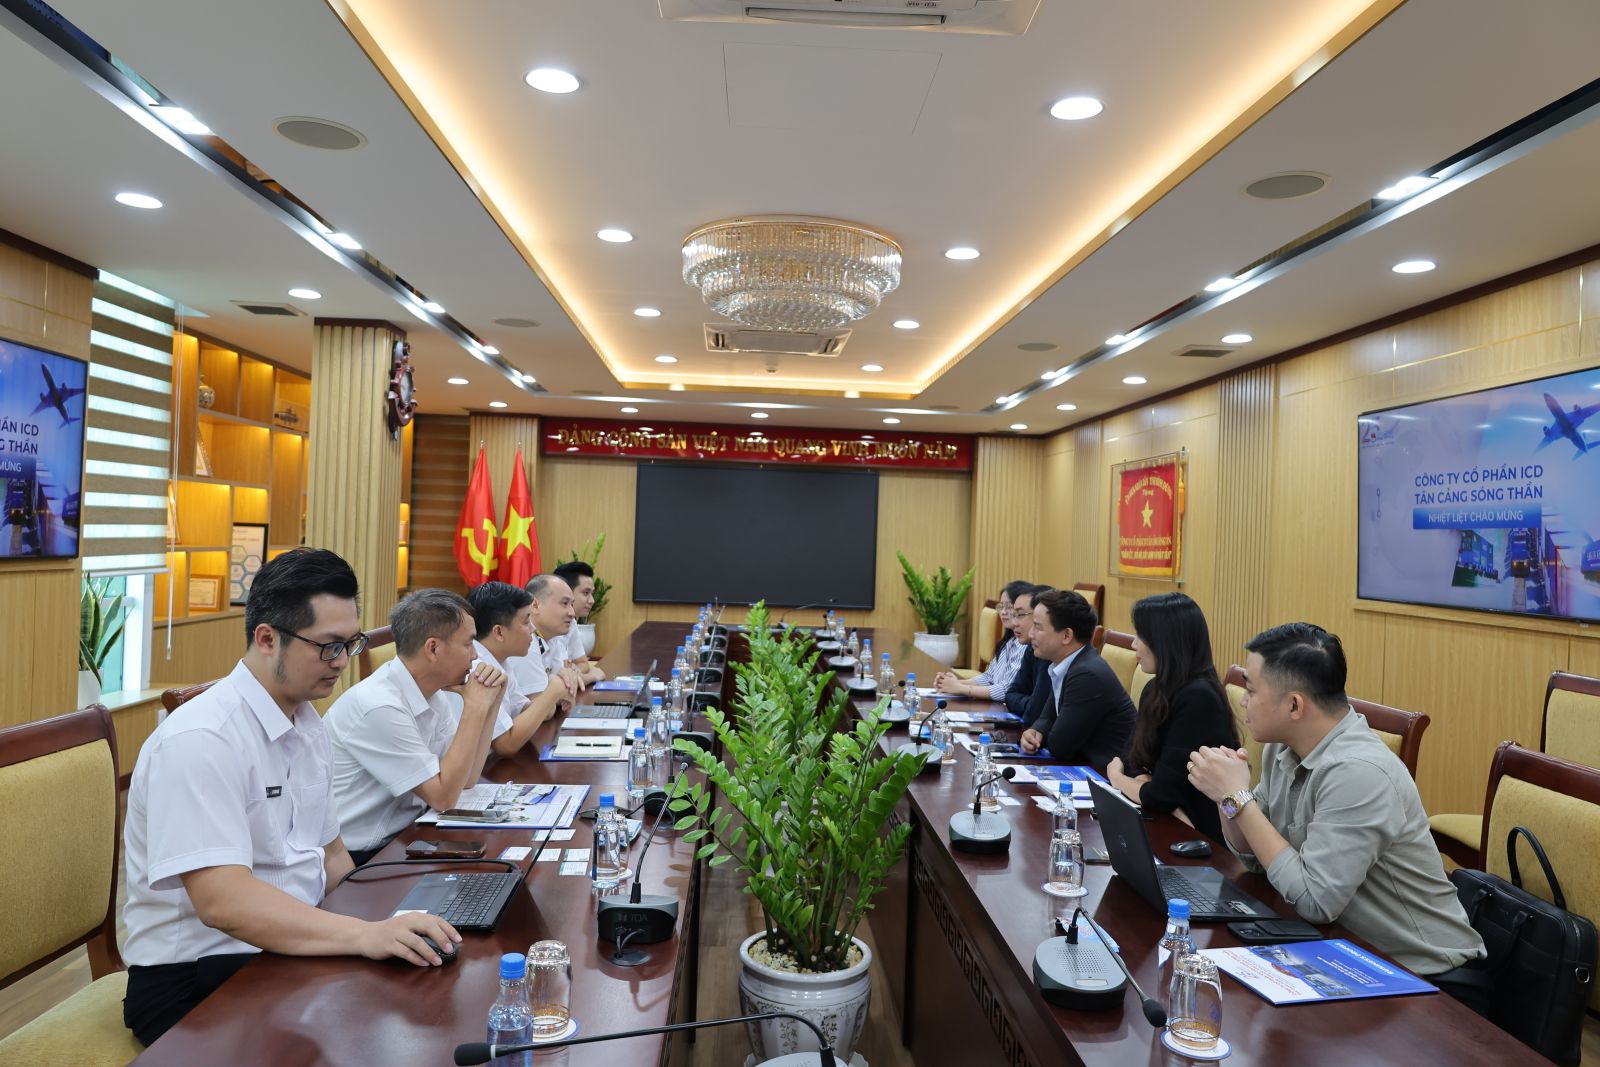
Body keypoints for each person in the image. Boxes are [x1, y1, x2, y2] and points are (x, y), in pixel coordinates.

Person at [121, 548, 460, 1047]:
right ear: (267, 639)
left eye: (350, 643)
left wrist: (390, 920)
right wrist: (361, 935)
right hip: (198, 976)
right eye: (328, 646)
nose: (342, 662)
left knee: (425, 1008)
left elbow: (333, 855)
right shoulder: (202, 739)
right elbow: (223, 903)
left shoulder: (307, 723)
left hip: (289, 945)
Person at [1187, 622, 1488, 1005]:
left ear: (1294, 705)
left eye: (1251, 690)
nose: (1242, 701)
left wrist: (1237, 797)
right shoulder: (1282, 747)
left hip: (1425, 976)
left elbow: (1315, 901)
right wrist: (1227, 796)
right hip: (1341, 949)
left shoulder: (1358, 772)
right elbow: (1255, 857)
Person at [326, 589, 508, 864]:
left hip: (409, 834)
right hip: (362, 856)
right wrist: (474, 708)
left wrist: (491, 703)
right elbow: (443, 798)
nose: (475, 656)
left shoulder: (432, 693)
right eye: (469, 644)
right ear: (433, 648)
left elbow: (467, 779)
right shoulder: (380, 706)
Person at [1105, 592, 1239, 841]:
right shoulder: (1155, 689)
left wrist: (1117, 778)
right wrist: (1143, 784)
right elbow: (1130, 757)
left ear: (1166, 641)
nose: (1134, 645)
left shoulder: (1199, 698)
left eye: (1141, 636)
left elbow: (1162, 796)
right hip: (1166, 820)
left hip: (1199, 836)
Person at [1018, 589, 1134, 769]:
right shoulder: (1070, 663)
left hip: (1107, 774)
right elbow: (1047, 717)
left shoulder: (1087, 675)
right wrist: (1035, 731)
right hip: (1084, 765)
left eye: (1038, 627)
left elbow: (1060, 746)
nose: (1031, 634)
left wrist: (1042, 733)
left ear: (1066, 636)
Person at [466, 580, 577, 756]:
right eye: (526, 622)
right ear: (499, 632)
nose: (532, 629)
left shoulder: (500, 661)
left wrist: (554, 691)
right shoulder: (478, 668)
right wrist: (554, 690)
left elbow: (529, 710)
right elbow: (506, 745)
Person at [934, 579, 1032, 699]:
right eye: (1001, 606)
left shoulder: (1025, 646)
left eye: (1009, 607)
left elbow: (1007, 690)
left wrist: (961, 688)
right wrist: (953, 684)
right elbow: (989, 677)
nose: (1003, 612)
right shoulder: (1009, 641)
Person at [505, 574, 583, 711]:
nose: (572, 613)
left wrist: (558, 687)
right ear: (535, 605)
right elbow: (544, 710)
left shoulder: (553, 637)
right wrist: (557, 685)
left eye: (572, 604)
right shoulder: (524, 640)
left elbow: (566, 688)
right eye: (564, 603)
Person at [551, 560, 606, 686]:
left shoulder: (571, 623)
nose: (592, 600)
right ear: (566, 591)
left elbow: (582, 663)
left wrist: (575, 673)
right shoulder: (544, 628)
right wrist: (590, 677)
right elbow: (557, 682)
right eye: (586, 593)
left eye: (592, 593)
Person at [1002, 584, 1052, 718]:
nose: (1014, 623)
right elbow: (1010, 695)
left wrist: (1030, 705)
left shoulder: (1050, 653)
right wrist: (1029, 703)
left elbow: (1035, 712)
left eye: (1020, 615)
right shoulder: (1031, 649)